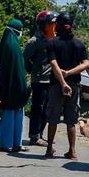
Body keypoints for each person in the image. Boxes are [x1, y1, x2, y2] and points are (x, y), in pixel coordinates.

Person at [44, 13, 88, 159]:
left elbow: (53, 64)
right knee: (71, 120)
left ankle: (49, 149)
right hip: (74, 86)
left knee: (53, 119)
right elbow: (86, 64)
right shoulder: (79, 44)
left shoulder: (52, 43)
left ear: (58, 26)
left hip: (56, 85)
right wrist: (69, 74)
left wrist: (63, 82)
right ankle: (72, 151)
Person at [0, 19, 30, 153]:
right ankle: (15, 143)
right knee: (17, 116)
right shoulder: (15, 47)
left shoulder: (5, 44)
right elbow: (19, 70)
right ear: (17, 31)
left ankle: (4, 142)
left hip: (5, 87)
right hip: (17, 87)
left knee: (6, 114)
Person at [23, 11, 56, 147]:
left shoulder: (52, 39)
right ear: (43, 25)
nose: (53, 26)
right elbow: (24, 59)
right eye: (50, 24)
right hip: (39, 80)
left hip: (51, 80)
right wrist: (33, 71)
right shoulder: (34, 41)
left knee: (47, 110)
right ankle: (34, 136)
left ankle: (40, 134)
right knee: (38, 108)